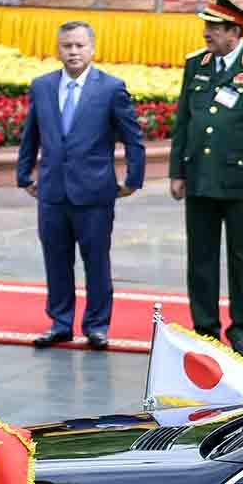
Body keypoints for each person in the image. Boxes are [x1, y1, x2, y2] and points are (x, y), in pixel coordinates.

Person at [168, 0, 243, 358]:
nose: (207, 34)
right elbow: (183, 121)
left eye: (214, 27)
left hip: (241, 181)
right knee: (200, 258)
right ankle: (205, 328)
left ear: (235, 32)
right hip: (200, 176)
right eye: (207, 27)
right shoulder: (195, 65)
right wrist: (177, 171)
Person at [17, 20, 145, 350]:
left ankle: (97, 325)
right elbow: (31, 133)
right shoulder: (42, 86)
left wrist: (133, 178)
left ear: (92, 48)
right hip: (52, 192)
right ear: (57, 49)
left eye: (79, 46)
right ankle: (60, 322)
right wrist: (24, 174)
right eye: (67, 46)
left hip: (94, 192)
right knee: (56, 259)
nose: (73, 52)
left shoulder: (111, 88)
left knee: (96, 260)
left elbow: (133, 138)